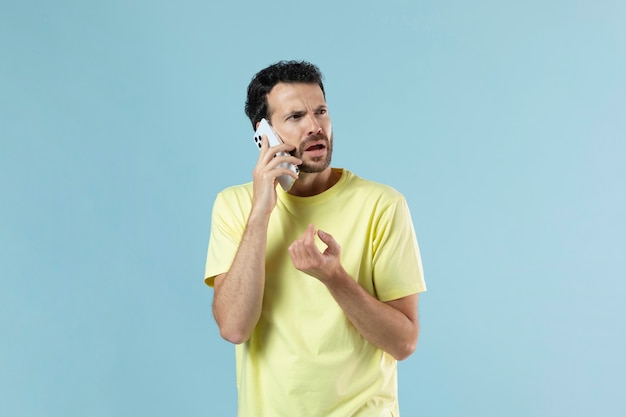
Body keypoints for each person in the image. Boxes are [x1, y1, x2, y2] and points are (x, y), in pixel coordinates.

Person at [204, 60, 426, 417]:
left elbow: (403, 342)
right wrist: (261, 212)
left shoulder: (382, 205)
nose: (315, 127)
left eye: (320, 112)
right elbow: (233, 327)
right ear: (264, 134)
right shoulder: (234, 206)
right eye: (295, 117)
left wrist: (335, 279)